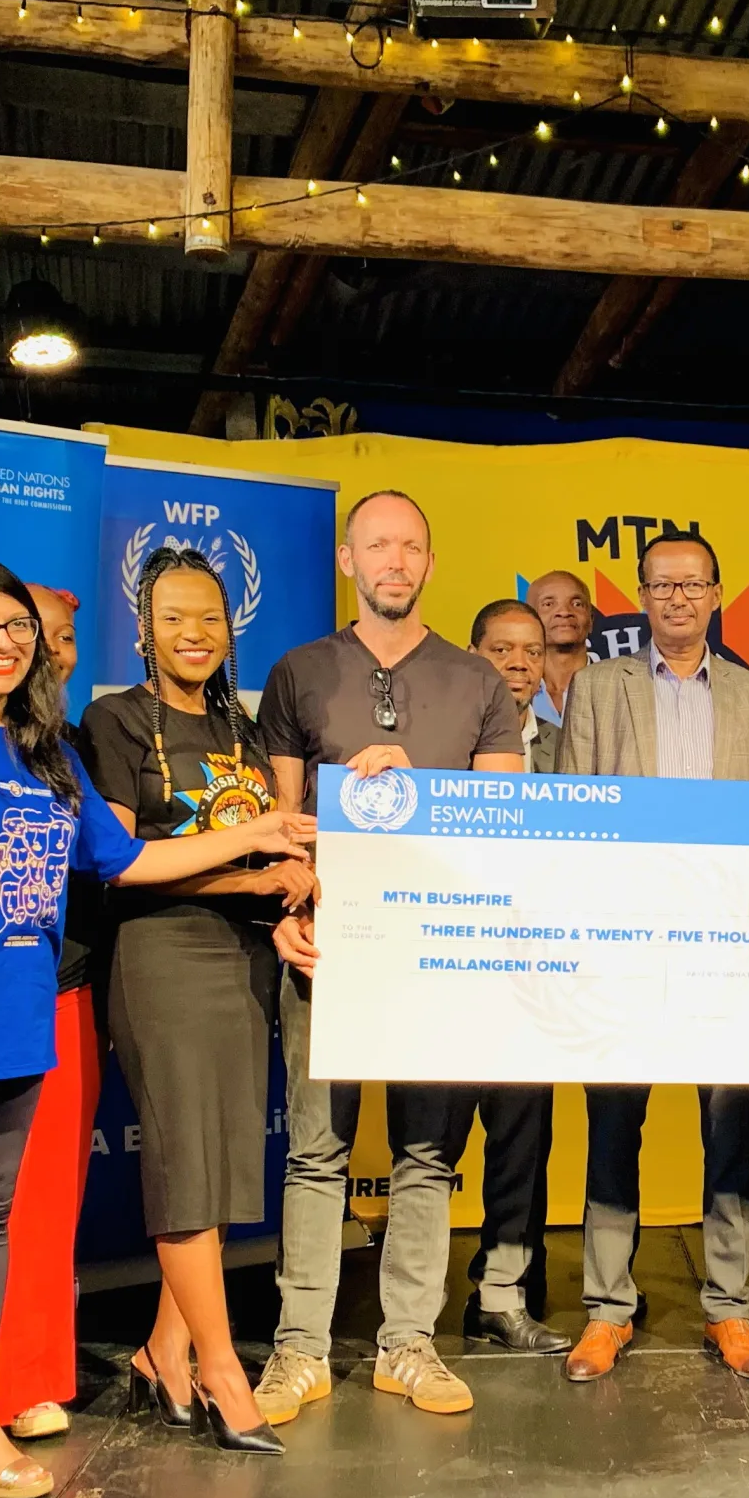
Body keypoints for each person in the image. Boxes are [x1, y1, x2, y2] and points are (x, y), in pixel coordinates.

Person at [0, 555, 309, 1498]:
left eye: (17, 629)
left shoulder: (47, 751)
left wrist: (260, 834)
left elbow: (128, 858)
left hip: (21, 1015)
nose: (2, 644)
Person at [263, 493, 526, 1422]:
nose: (395, 560)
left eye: (412, 545)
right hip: (329, 946)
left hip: (437, 948)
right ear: (348, 560)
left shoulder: (477, 681)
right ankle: (298, 1348)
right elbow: (284, 824)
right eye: (378, 544)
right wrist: (288, 909)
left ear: (430, 563)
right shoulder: (299, 671)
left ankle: (407, 1342)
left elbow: (498, 827)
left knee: (426, 1151)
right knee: (316, 1151)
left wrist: (424, 794)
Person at [554, 528, 749, 1384]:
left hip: (724, 948)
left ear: (716, 594)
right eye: (662, 585)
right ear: (642, 597)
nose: (678, 598)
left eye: (693, 585)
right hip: (623, 946)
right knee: (615, 1125)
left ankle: (729, 1307)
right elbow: (573, 814)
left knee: (728, 1130)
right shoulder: (598, 686)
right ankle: (607, 1310)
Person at [83, 549, 303, 1454]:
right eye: (173, 617)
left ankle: (162, 1351)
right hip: (161, 955)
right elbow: (120, 865)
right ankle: (222, 1371)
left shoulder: (239, 727)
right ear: (143, 629)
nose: (194, 634)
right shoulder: (113, 720)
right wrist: (249, 876)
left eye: (210, 617)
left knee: (218, 1163)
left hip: (245, 960)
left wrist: (288, 885)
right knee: (183, 1164)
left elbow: (268, 848)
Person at [0, 582, 104, 1443]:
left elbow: (119, 858)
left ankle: (30, 1378)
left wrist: (261, 843)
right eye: (34, 633)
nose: (49, 653)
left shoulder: (69, 750)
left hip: (64, 989)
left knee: (47, 1203)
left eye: (61, 639)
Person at [440, 599, 569, 1354]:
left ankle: (501, 1296)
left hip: (533, 979)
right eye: (501, 650)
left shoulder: (567, 747)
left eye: (532, 651)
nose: (519, 664)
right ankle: (409, 1311)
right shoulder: (439, 741)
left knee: (522, 1141)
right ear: (472, 656)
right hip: (447, 972)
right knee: (432, 1144)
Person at [527, 568, 595, 727]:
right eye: (548, 604)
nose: (564, 612)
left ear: (591, 619)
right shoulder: (509, 696)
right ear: (530, 621)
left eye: (577, 604)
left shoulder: (619, 687)